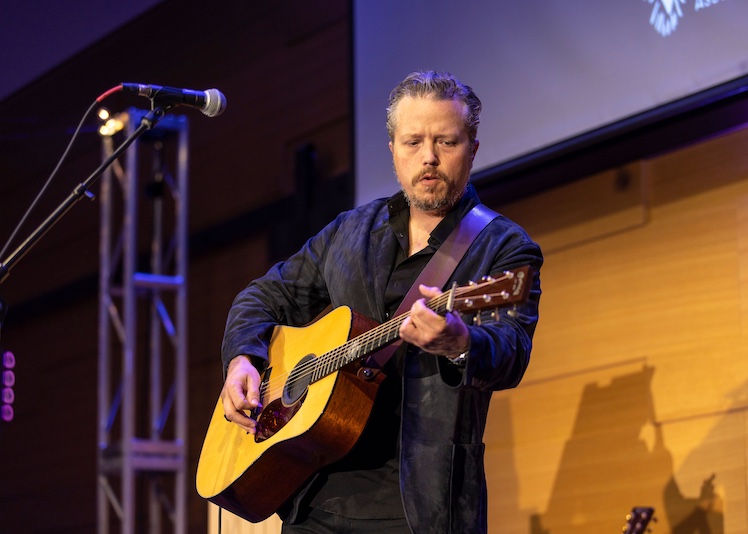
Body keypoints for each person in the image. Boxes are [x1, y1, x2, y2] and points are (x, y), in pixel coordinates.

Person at [220, 70, 543, 533]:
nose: (428, 158)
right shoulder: (350, 231)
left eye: (446, 142)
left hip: (419, 509)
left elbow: (511, 353)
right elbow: (264, 295)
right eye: (413, 142)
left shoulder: (504, 248)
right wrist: (242, 360)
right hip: (311, 497)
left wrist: (459, 341)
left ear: (472, 148)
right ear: (392, 150)